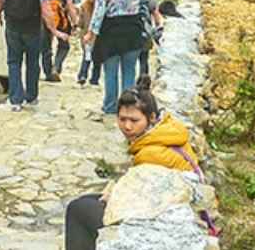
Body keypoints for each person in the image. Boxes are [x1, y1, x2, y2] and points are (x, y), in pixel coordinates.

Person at [64, 80, 201, 250]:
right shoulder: (168, 129)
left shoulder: (150, 154)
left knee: (77, 209)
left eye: (134, 120)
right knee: (87, 201)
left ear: (150, 117)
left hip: (158, 218)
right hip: (162, 201)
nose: (127, 126)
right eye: (122, 119)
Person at [0, 0, 69, 111]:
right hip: (33, 27)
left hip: (12, 24)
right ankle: (31, 97)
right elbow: (46, 9)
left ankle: (15, 100)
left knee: (13, 61)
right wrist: (54, 30)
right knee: (33, 62)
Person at [83, 0, 148, 115]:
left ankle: (110, 106)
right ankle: (128, 106)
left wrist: (91, 33)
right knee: (130, 70)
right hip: (133, 27)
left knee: (110, 70)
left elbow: (99, 12)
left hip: (112, 30)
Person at [41, 0, 79, 83]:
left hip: (45, 18)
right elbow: (70, 6)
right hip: (61, 19)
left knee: (46, 47)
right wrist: (75, 23)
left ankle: (47, 72)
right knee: (64, 45)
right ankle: (56, 67)